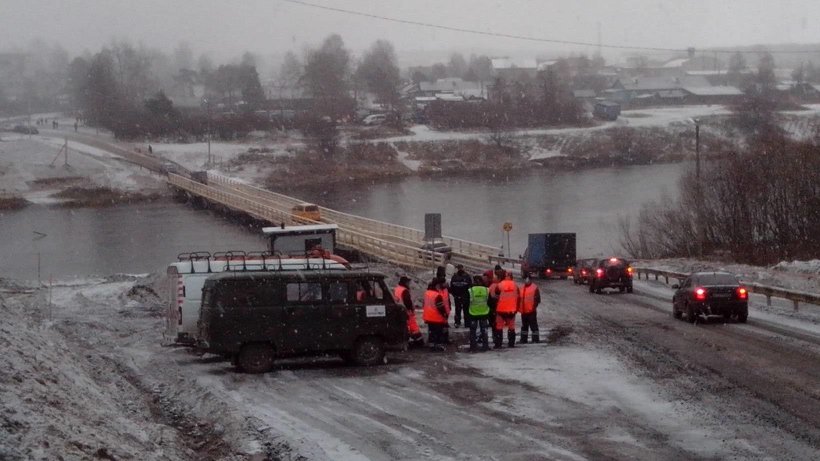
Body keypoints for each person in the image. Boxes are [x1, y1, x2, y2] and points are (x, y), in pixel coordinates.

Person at [394, 276, 424, 347]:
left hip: (400, 310)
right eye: (408, 282)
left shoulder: (397, 289)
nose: (409, 284)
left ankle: (407, 340)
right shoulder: (404, 290)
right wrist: (411, 309)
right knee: (413, 327)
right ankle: (418, 341)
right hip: (406, 311)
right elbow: (407, 301)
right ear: (405, 283)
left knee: (405, 326)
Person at [493, 271, 520, 348]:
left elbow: (496, 295)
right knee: (511, 327)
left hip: (501, 310)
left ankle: (498, 344)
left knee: (499, 327)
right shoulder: (515, 285)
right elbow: (518, 297)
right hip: (512, 310)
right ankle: (511, 343)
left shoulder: (500, 285)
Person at [422, 279, 449, 352]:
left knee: (431, 332)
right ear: (437, 285)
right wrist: (445, 314)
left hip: (428, 316)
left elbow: (424, 304)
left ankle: (431, 345)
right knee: (438, 332)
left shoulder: (427, 293)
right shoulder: (437, 295)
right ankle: (438, 346)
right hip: (436, 317)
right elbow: (440, 307)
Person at [467, 275, 491, 352]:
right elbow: (490, 301)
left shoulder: (471, 290)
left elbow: (466, 302)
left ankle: (473, 347)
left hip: (473, 313)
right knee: (484, 330)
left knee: (473, 331)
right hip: (484, 313)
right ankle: (485, 346)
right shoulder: (486, 290)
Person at [519, 276, 541, 343]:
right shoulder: (522, 288)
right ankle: (523, 339)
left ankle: (535, 339)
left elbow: (538, 299)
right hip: (524, 311)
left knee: (533, 326)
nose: (527, 281)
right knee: (524, 326)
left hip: (531, 311)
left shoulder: (534, 288)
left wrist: (533, 307)